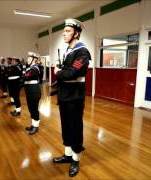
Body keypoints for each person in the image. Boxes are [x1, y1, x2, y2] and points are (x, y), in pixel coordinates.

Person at [52, 18, 91, 177]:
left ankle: (76, 159)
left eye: (67, 31)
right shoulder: (68, 50)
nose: (64, 33)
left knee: (75, 128)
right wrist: (61, 73)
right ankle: (68, 155)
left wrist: (57, 72)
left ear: (76, 33)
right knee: (66, 126)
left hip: (74, 95)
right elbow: (67, 72)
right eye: (64, 31)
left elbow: (71, 73)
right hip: (65, 93)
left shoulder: (82, 52)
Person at [23, 52, 41, 135]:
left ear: (34, 60)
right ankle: (33, 124)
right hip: (29, 91)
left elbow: (25, 76)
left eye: (29, 58)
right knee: (31, 109)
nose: (27, 59)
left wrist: (23, 74)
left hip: (34, 92)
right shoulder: (30, 68)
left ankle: (36, 127)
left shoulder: (35, 68)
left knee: (34, 109)